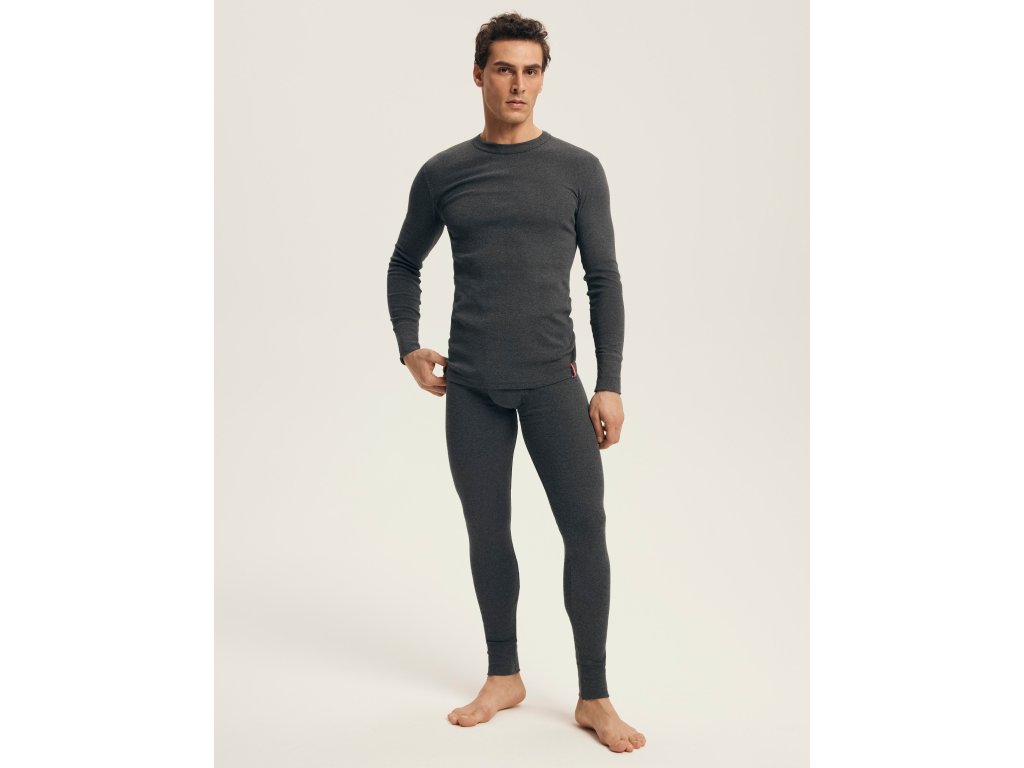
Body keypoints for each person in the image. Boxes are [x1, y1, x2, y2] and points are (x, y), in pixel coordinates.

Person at [386, 12, 646, 754]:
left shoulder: (577, 169)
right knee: (487, 529)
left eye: (531, 71)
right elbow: (403, 264)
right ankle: (504, 675)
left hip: (552, 383)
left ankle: (594, 696)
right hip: (471, 387)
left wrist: (609, 382)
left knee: (585, 529)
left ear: (543, 78)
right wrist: (409, 347)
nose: (518, 85)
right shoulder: (443, 173)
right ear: (479, 74)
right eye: (504, 69)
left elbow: (604, 279)